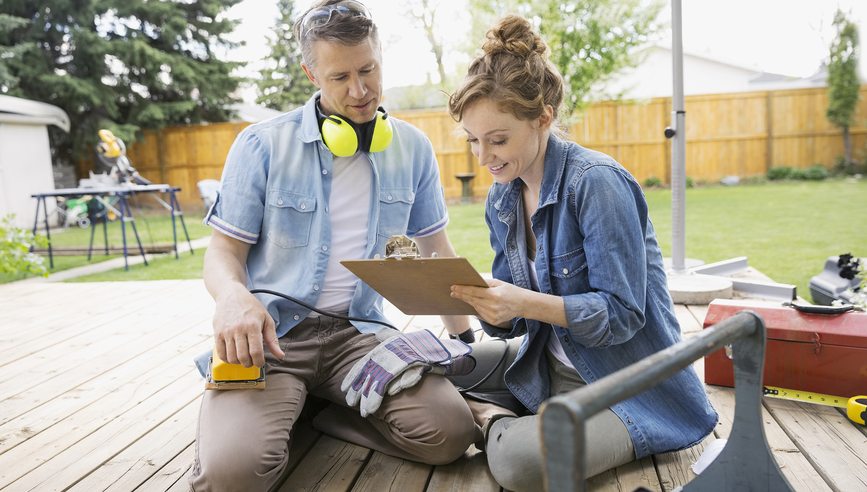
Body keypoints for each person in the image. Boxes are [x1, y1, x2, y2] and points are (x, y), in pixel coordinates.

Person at [190, 2, 480, 490]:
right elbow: (222, 253)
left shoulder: (412, 147)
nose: (360, 90)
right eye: (340, 76)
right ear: (310, 73)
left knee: (451, 433)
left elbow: (436, 249)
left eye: (368, 69)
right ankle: (290, 403)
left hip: (360, 336)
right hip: (273, 339)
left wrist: (467, 342)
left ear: (381, 57)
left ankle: (327, 413)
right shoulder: (260, 145)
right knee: (232, 475)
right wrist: (233, 297)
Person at [447, 15, 718, 492]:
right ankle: (509, 412)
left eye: (498, 139)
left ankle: (490, 420)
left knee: (518, 463)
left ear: (543, 119)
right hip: (547, 364)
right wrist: (483, 302)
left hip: (624, 387)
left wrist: (522, 303)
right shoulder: (502, 196)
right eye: (473, 139)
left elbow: (622, 315)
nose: (484, 156)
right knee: (432, 370)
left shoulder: (595, 183)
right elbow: (509, 322)